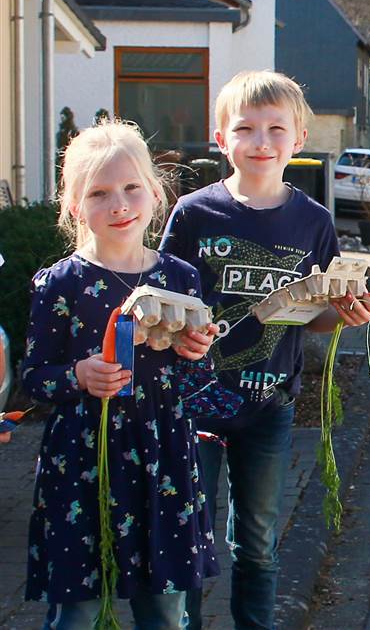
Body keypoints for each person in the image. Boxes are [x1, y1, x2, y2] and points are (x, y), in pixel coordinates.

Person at [160, 71, 370, 630]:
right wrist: (173, 332)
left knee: (257, 542)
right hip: (194, 404)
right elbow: (158, 302)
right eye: (246, 129)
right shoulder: (192, 213)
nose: (261, 141)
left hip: (270, 405)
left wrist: (346, 314)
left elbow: (321, 311)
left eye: (276, 129)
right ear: (220, 137)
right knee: (185, 537)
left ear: (299, 139)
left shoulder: (314, 221)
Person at [22, 121, 220, 629]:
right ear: (73, 207)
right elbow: (35, 377)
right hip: (83, 459)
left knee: (164, 609)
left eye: (132, 188)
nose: (119, 205)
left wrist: (198, 353)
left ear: (155, 193)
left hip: (163, 456)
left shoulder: (180, 276)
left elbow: (197, 380)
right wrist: (78, 375)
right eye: (99, 193)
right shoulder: (61, 284)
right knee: (79, 611)